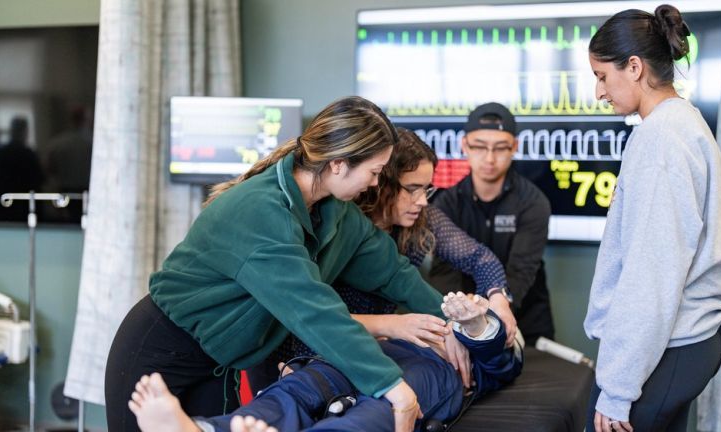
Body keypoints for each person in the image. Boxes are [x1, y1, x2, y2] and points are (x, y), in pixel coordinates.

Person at [105, 96, 469, 432]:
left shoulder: (336, 213)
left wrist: (453, 322)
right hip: (159, 350)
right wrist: (391, 384)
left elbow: (393, 273)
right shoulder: (260, 212)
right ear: (339, 164)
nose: (376, 184)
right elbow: (313, 310)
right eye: (374, 172)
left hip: (217, 362)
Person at [245, 127, 519, 393]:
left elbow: (480, 259)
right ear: (380, 182)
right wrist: (389, 327)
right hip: (301, 349)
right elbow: (305, 312)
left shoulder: (422, 219)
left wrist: (498, 300)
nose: (422, 201)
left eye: (427, 189)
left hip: (363, 346)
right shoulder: (338, 225)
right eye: (412, 189)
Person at [583, 5, 721, 432]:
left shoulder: (661, 141)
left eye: (601, 76)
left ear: (634, 67)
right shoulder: (685, 123)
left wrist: (616, 390)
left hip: (667, 347)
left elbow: (652, 274)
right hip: (688, 343)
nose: (599, 91)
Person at [128, 292, 523, 432]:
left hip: (430, 376)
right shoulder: (420, 318)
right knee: (300, 388)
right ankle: (206, 430)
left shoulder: (475, 349)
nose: (464, 308)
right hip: (369, 355)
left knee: (376, 413)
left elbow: (503, 364)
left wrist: (477, 325)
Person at [428, 102, 554, 345]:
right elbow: (443, 273)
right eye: (479, 146)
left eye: (500, 148)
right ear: (464, 145)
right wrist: (464, 316)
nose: (489, 158)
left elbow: (521, 270)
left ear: (514, 147)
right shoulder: (446, 204)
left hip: (524, 319)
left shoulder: (534, 202)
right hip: (463, 321)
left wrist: (493, 311)